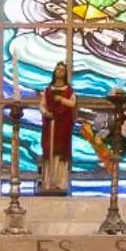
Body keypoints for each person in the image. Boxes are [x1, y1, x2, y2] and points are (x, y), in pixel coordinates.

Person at [39, 61, 78, 195]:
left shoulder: (68, 90)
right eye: (58, 69)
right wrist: (46, 113)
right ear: (54, 72)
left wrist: (61, 100)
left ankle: (60, 183)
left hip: (63, 126)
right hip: (50, 125)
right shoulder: (48, 89)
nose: (60, 71)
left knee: (61, 153)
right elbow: (42, 105)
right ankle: (48, 182)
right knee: (49, 152)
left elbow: (73, 103)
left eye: (62, 70)